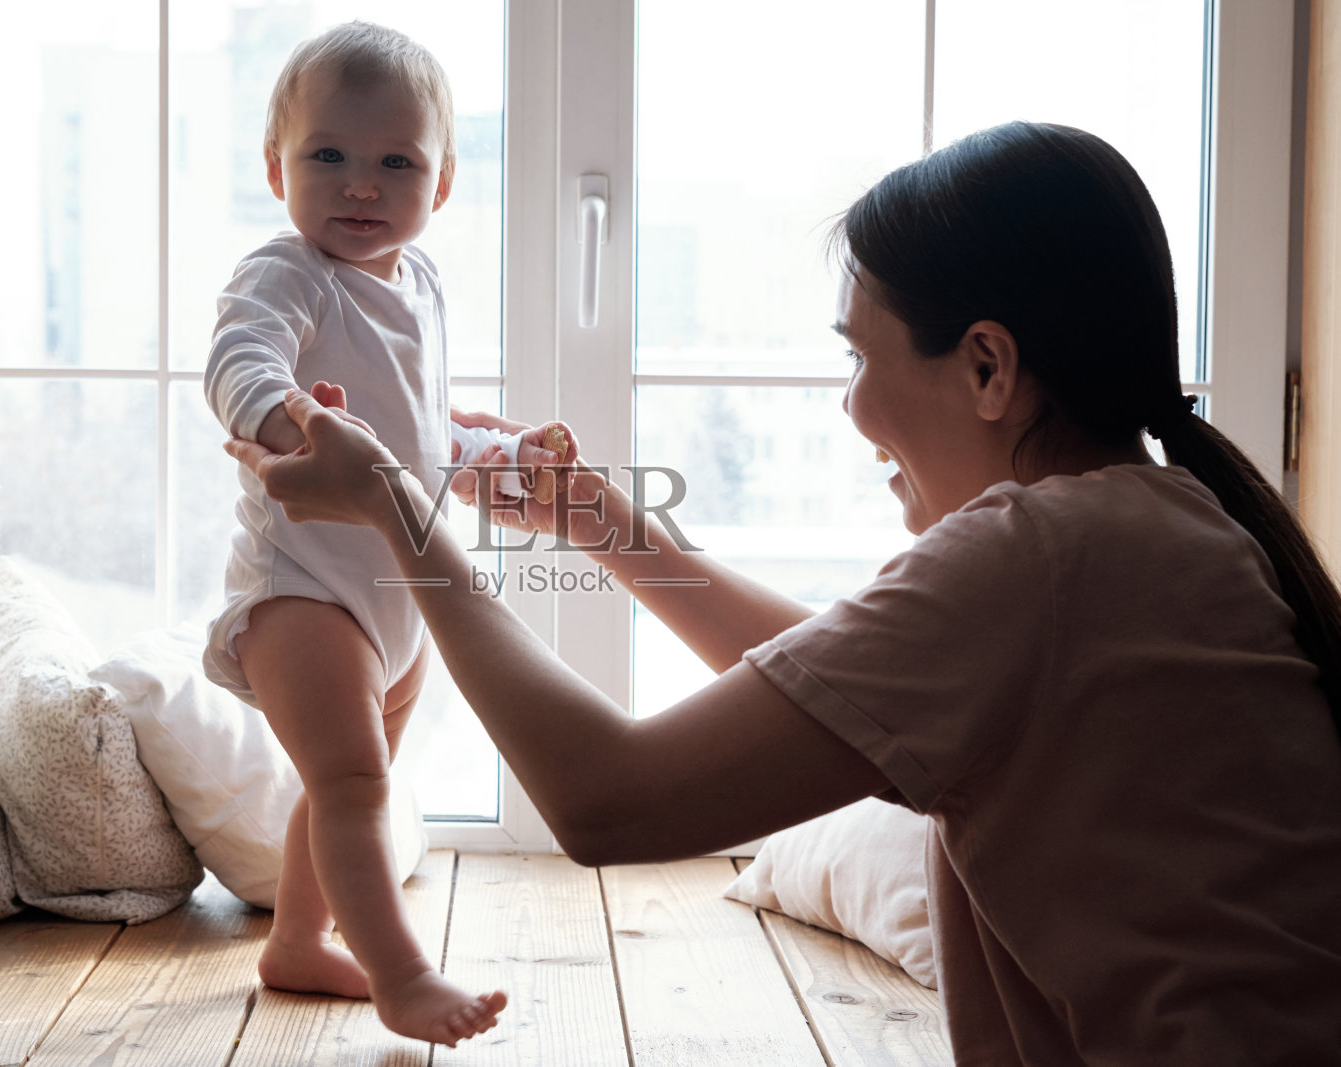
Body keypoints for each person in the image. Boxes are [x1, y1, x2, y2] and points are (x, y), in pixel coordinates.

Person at [226, 121, 1341, 1063]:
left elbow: (608, 800)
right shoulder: (1153, 520)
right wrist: (610, 529)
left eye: (860, 358)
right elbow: (841, 685)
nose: (851, 410)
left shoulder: (1039, 551)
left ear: (988, 367)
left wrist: (397, 506)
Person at [200, 21, 563, 1047]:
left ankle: (299, 942)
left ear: (441, 185)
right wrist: (291, 420)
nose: (360, 185)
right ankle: (402, 971)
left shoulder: (422, 285)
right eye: (329, 157)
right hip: (302, 588)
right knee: (352, 779)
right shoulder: (284, 274)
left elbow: (422, 431)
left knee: (352, 783)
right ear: (277, 170)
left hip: (396, 599)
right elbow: (239, 367)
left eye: (395, 162)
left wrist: (495, 464)